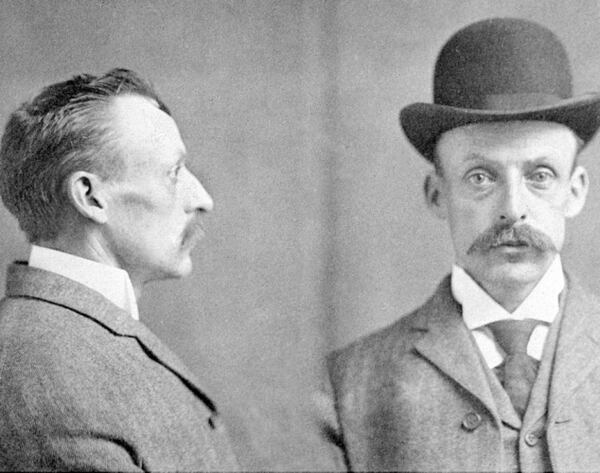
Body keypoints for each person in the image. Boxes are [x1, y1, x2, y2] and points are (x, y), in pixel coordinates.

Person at [326, 18, 600, 472]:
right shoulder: (349, 384)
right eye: (480, 178)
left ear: (575, 191)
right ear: (437, 195)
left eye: (540, 176)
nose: (513, 209)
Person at [0, 69, 239, 471]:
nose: (202, 198)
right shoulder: (50, 373)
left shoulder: (68, 338)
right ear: (90, 197)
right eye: (173, 173)